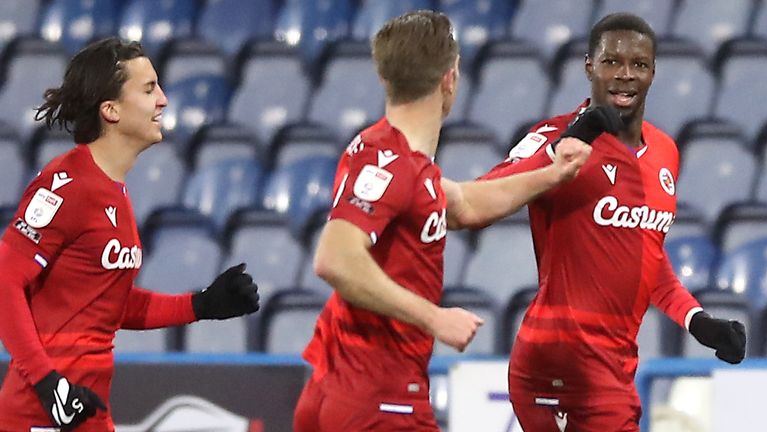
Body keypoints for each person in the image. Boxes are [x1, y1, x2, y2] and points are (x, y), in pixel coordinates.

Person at [292, 10, 620, 431]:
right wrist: (434, 317)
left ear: (384, 78)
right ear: (451, 78)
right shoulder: (391, 163)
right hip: (379, 399)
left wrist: (553, 174)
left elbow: (464, 203)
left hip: (339, 388)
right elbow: (335, 258)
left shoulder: (390, 154)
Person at [479, 13, 747, 431]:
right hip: (560, 360)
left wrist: (697, 321)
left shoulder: (665, 153)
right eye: (611, 62)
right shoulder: (557, 135)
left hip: (612, 365)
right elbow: (485, 193)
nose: (625, 76)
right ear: (589, 66)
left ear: (654, 72)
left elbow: (646, 257)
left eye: (638, 65)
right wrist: (566, 144)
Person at [0, 38, 260, 431]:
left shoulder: (114, 190)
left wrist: (201, 305)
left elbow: (107, 300)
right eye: (149, 88)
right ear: (111, 110)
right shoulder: (67, 183)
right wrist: (46, 383)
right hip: (43, 414)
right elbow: (4, 281)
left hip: (88, 409)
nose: (164, 100)